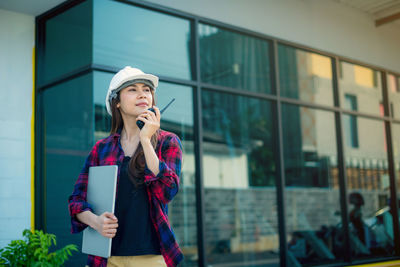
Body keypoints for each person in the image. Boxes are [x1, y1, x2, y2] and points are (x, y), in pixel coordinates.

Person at [68, 66, 184, 267]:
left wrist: (146, 141)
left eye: (146, 89)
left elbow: (167, 192)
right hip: (105, 258)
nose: (142, 94)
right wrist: (95, 222)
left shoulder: (168, 142)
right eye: (132, 89)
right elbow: (76, 201)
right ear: (118, 102)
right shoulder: (101, 149)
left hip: (150, 257)